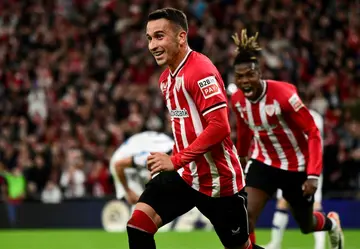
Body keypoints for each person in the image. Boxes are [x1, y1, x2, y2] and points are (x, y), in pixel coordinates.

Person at [126, 8, 263, 249]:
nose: (152, 45)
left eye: (159, 36)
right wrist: (166, 165)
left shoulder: (200, 71)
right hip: (186, 176)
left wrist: (175, 160)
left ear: (181, 37)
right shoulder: (166, 80)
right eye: (149, 38)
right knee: (138, 225)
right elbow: (185, 126)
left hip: (219, 183)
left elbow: (219, 127)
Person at [230, 29, 344, 249]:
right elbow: (243, 128)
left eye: (250, 75)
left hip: (296, 167)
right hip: (263, 162)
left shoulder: (284, 96)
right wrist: (242, 156)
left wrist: (313, 175)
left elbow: (313, 132)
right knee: (246, 218)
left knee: (306, 224)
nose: (245, 81)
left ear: (260, 73)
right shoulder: (237, 100)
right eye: (240, 76)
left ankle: (332, 223)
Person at [265, 109, 326, 249]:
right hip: (291, 166)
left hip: (310, 167)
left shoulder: (314, 117)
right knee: (282, 202)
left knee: (315, 204)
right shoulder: (286, 115)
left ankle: (320, 245)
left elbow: (314, 141)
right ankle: (275, 243)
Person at [109, 131, 174, 205]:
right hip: (122, 163)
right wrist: (128, 191)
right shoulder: (151, 156)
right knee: (140, 203)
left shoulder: (173, 147)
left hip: (138, 156)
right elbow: (118, 165)